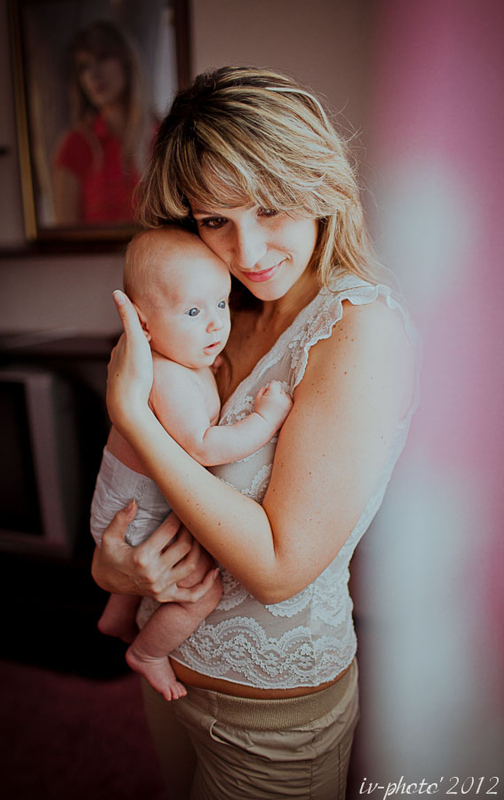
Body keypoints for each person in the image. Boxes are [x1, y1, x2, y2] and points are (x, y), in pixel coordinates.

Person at [92, 66, 419, 800]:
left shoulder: (357, 329)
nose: (246, 253)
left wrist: (135, 416)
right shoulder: (214, 312)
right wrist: (116, 572)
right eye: (215, 220)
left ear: (320, 186)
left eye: (270, 208)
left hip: (271, 716)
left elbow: (276, 569)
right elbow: (139, 491)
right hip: (168, 666)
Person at [90, 226, 292, 701]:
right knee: (204, 591)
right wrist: (265, 419)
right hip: (136, 515)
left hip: (128, 504)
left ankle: (116, 615)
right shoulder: (165, 377)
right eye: (194, 312)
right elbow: (202, 446)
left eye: (220, 303)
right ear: (143, 325)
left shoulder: (180, 361)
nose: (216, 324)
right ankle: (148, 652)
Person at [52, 21, 154, 225]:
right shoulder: (75, 144)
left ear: (126, 61)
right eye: (83, 67)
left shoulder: (165, 135)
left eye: (102, 58)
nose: (93, 74)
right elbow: (65, 233)